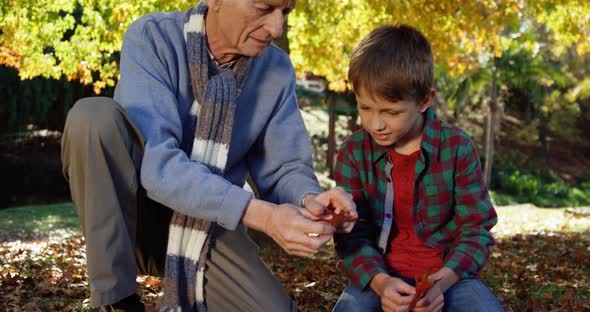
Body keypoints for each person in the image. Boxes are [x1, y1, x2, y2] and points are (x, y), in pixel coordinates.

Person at [60, 0, 357, 311]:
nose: (277, 28)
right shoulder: (152, 38)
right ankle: (116, 300)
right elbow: (158, 165)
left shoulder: (275, 70)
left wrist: (309, 199)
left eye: (286, 12)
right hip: (133, 218)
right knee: (92, 117)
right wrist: (265, 216)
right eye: (263, 8)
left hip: (207, 224)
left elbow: (284, 168)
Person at [331, 25, 504, 312]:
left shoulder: (457, 148)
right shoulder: (353, 153)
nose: (376, 124)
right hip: (380, 276)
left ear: (424, 101)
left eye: (391, 112)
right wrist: (380, 282)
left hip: (448, 278)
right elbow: (351, 233)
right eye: (365, 108)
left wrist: (443, 282)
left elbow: (475, 229)